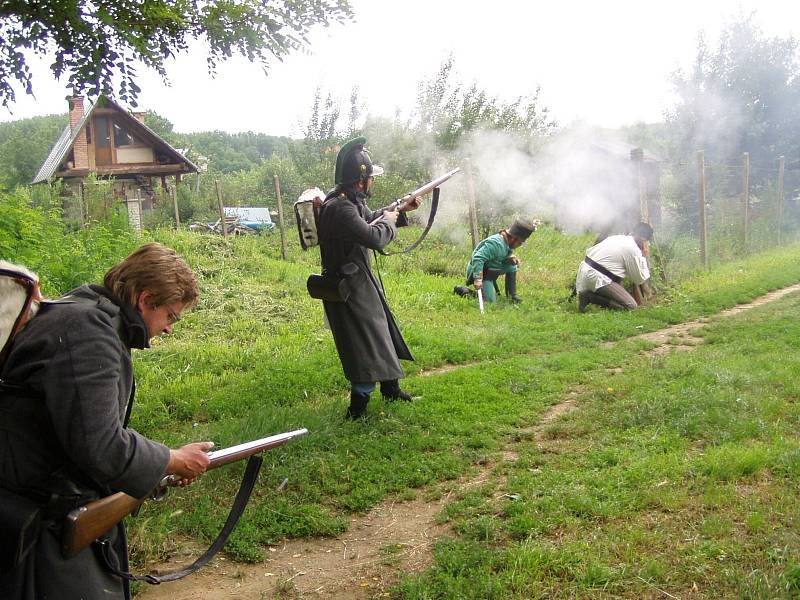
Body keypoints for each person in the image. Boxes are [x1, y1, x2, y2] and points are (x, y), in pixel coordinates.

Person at [0, 243, 213, 600]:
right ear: (146, 300)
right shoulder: (89, 332)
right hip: (43, 531)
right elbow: (101, 445)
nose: (169, 329)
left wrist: (157, 469)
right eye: (170, 316)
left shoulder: (80, 312)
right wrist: (170, 459)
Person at [316, 137, 421, 419]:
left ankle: (391, 389)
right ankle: (357, 411)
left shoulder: (349, 201)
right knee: (363, 345)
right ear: (360, 181)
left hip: (359, 281)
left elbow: (370, 219)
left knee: (381, 331)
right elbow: (375, 236)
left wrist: (399, 211)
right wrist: (388, 220)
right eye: (370, 177)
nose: (372, 182)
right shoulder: (340, 208)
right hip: (348, 287)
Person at [575, 221, 653, 312]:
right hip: (598, 277)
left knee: (617, 276)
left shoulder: (618, 237)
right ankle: (589, 297)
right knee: (631, 306)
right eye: (647, 241)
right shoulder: (633, 249)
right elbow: (639, 279)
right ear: (643, 239)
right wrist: (643, 256)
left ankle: (589, 295)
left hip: (585, 273)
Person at [454, 218, 536, 304]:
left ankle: (512, 295)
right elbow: (478, 258)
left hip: (492, 268)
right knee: (490, 302)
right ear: (513, 239)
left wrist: (509, 259)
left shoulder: (506, 243)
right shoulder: (495, 244)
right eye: (520, 243)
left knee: (512, 266)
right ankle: (465, 291)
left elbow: (499, 256)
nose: (519, 245)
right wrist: (478, 278)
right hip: (481, 271)